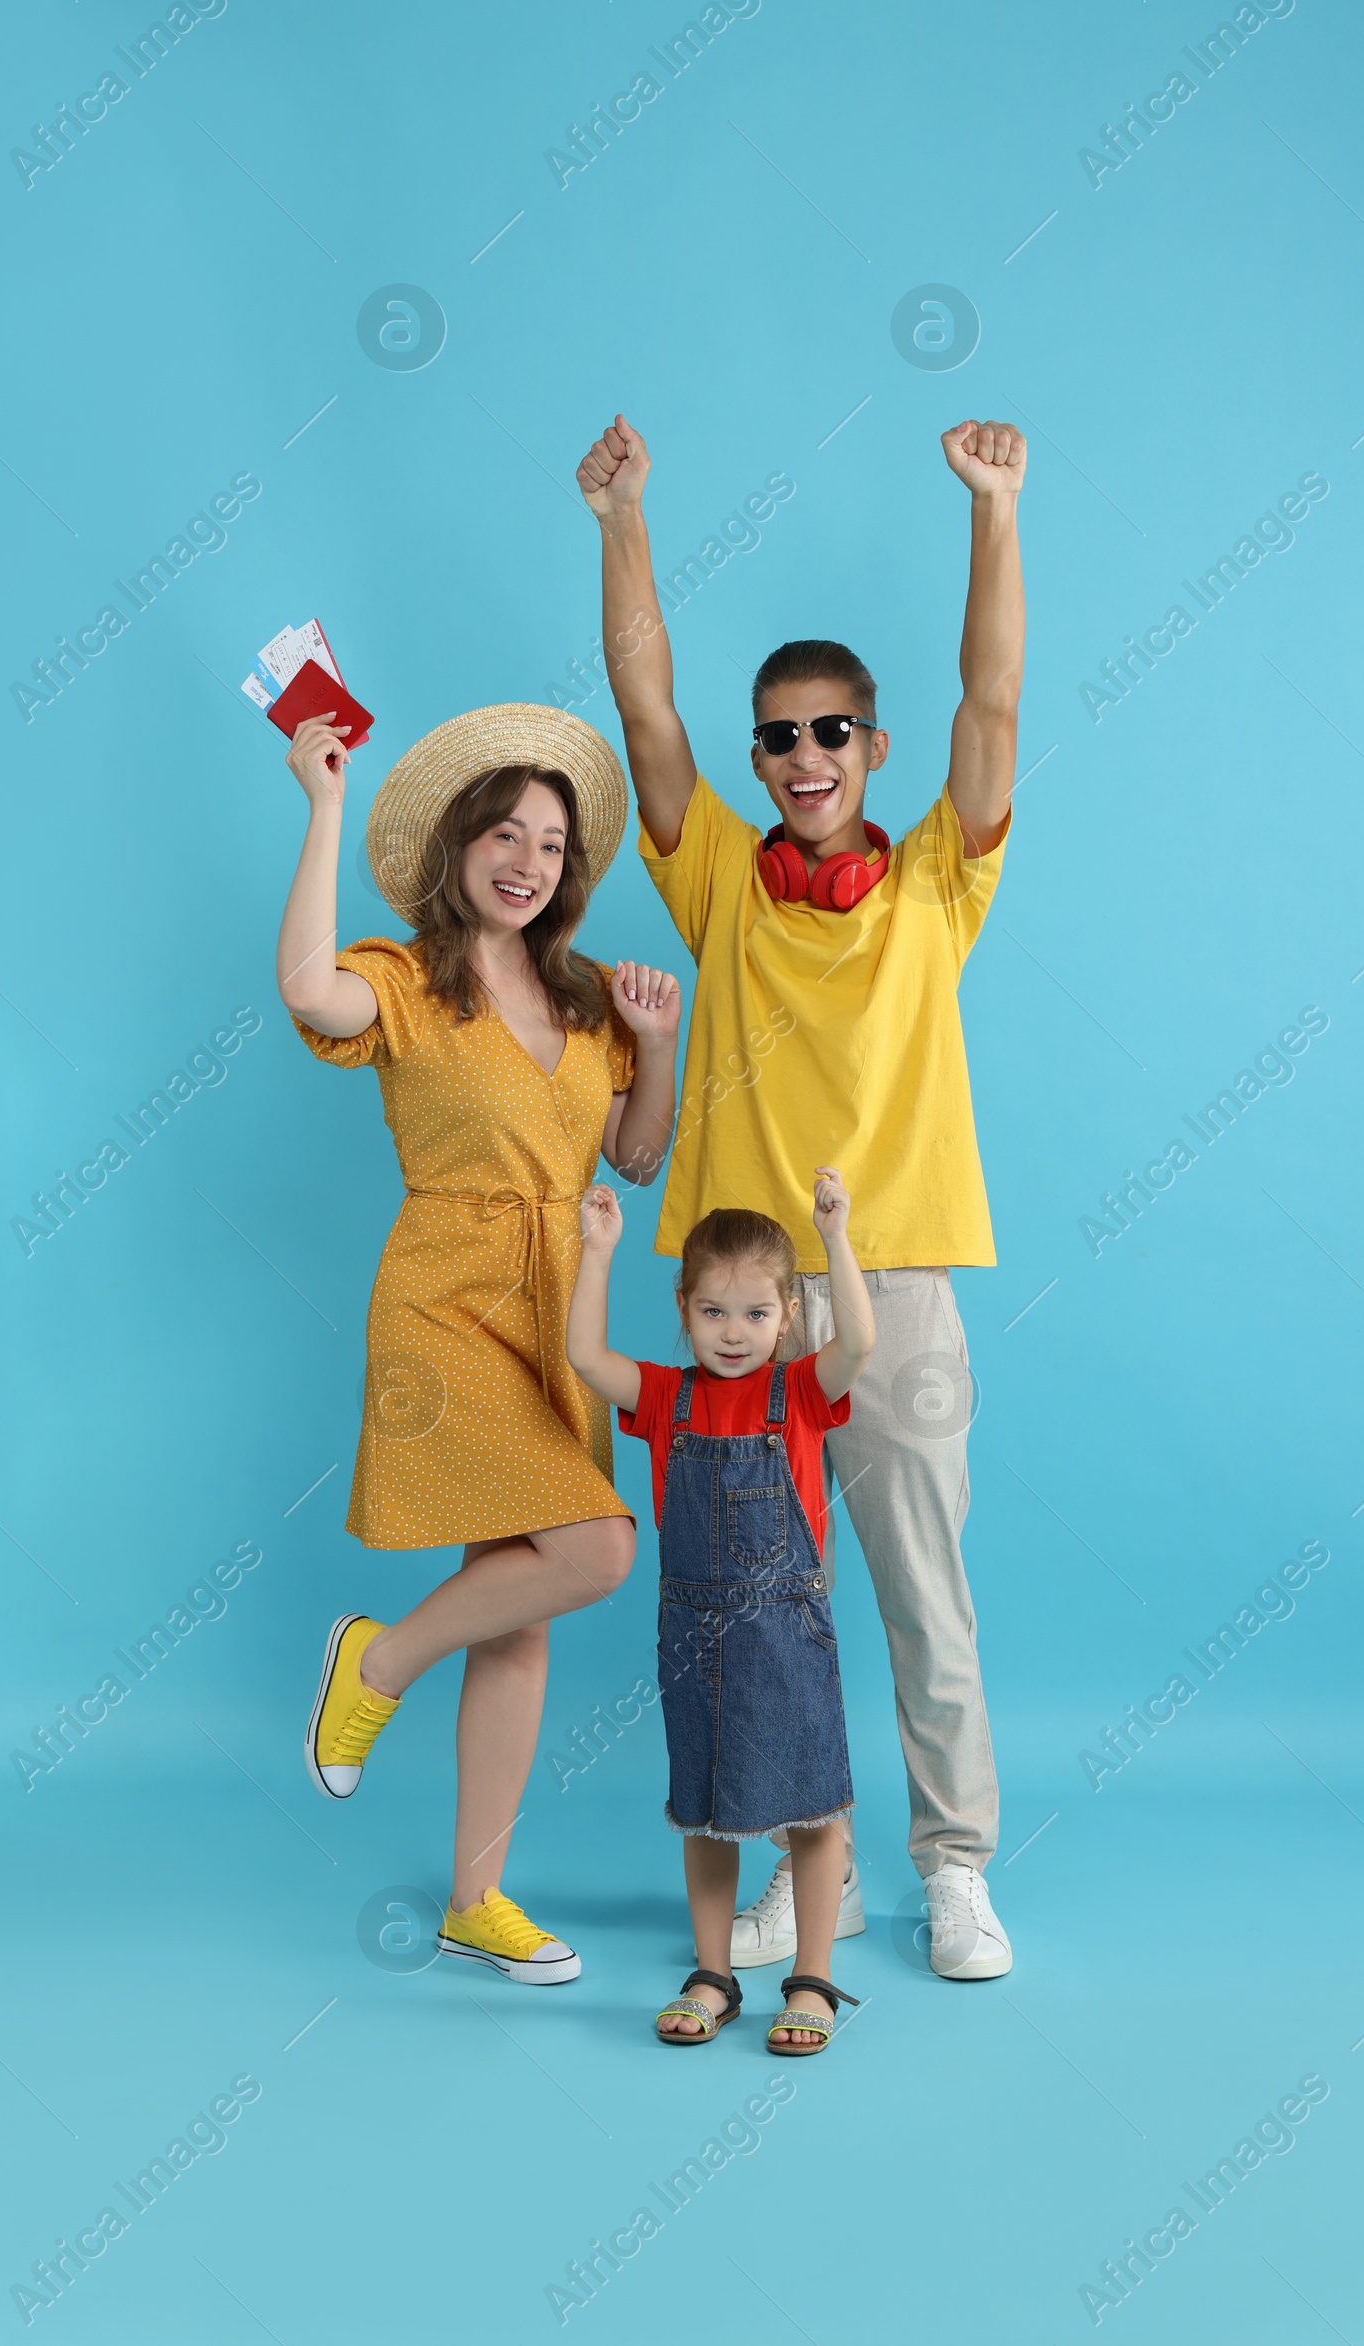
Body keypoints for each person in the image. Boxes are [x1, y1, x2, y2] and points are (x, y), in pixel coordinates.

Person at [576, 411, 1025, 1980]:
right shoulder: (715, 882)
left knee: (919, 1592)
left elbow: (994, 698)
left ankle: (956, 1867)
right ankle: (792, 1866)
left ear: (872, 748)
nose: (804, 756)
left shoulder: (932, 884)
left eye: (832, 731)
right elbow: (643, 706)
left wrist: (994, 510)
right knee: (768, 1606)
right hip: (743, 1316)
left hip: (891, 1290)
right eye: (779, 736)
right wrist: (625, 520)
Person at [279, 698, 680, 1984]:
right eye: (504, 832)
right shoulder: (402, 979)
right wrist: (324, 801)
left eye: (552, 844)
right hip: (444, 1299)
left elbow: (636, 1152)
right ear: (456, 845)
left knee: (524, 1611)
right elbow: (303, 990)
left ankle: (475, 1898)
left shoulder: (581, 994)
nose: (527, 859)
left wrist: (659, 1047)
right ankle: (376, 1659)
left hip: (560, 1310)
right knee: (598, 1549)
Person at [567, 1167, 874, 2052]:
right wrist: (598, 1252)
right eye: (712, 1313)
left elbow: (862, 1339)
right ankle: (714, 1973)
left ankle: (811, 1979)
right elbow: (587, 1358)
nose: (733, 1334)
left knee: (813, 1811)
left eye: (754, 1315)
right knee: (704, 1810)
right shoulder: (669, 1397)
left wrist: (837, 1238)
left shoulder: (807, 1392)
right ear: (682, 1306)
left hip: (786, 1633)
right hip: (693, 1637)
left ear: (786, 1316)